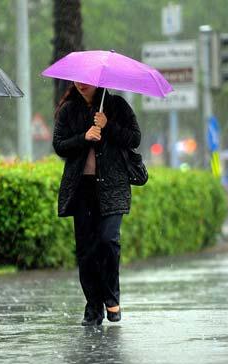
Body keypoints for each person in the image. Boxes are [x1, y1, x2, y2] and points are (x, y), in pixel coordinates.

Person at [52, 82, 140, 326]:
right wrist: (84, 137)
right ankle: (93, 305)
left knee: (108, 240)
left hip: (113, 186)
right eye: (78, 80)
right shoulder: (69, 110)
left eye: (87, 80)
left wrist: (107, 126)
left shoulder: (116, 106)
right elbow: (59, 144)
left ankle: (112, 298)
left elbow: (134, 138)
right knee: (86, 250)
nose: (81, 84)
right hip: (82, 188)